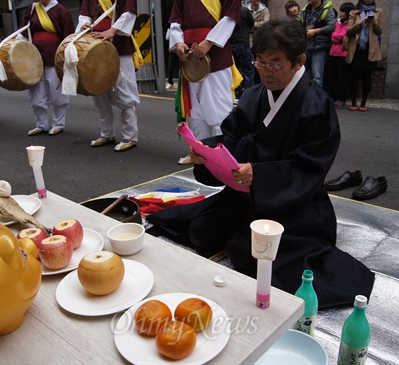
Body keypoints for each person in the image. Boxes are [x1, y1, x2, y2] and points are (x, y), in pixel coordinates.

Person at [148, 18, 375, 309]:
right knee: (199, 233)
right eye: (261, 62)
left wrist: (261, 175)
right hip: (245, 195)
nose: (267, 71)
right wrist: (208, 152)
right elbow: (231, 136)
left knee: (248, 255)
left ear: (299, 61)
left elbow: (310, 167)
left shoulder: (316, 105)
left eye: (276, 63)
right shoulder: (255, 95)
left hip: (293, 204)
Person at [168, 0, 241, 165]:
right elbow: (175, 22)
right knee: (196, 112)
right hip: (190, 59)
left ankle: (223, 154)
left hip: (216, 56)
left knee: (218, 109)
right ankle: (201, 152)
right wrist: (179, 42)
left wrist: (208, 42)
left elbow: (229, 18)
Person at [77, 0, 140, 152]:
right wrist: (85, 24)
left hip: (119, 45)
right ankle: (107, 133)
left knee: (125, 92)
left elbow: (129, 13)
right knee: (99, 91)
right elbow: (84, 15)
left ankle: (129, 137)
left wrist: (112, 31)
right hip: (95, 46)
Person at [18, 0, 74, 137]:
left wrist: (65, 57)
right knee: (36, 91)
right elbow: (24, 32)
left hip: (54, 55)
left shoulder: (61, 10)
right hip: (35, 55)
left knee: (57, 92)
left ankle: (58, 124)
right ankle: (41, 124)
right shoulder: (32, 9)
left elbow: (68, 36)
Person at [344, 0, 383, 112]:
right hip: (356, 49)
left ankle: (363, 103)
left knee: (367, 77)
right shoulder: (354, 12)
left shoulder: (378, 12)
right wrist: (360, 23)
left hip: (370, 50)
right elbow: (349, 31)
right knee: (354, 77)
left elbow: (380, 31)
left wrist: (374, 22)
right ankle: (353, 102)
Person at [300, 0, 336, 88]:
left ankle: (316, 100)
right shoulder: (305, 11)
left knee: (317, 76)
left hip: (319, 47)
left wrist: (315, 31)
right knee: (301, 75)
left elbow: (332, 26)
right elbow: (300, 26)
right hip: (305, 47)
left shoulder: (327, 9)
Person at [326, 2, 355, 106]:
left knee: (342, 77)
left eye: (344, 11)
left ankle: (341, 98)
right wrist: (339, 38)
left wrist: (339, 38)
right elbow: (333, 35)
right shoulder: (337, 22)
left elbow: (346, 37)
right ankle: (331, 96)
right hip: (333, 53)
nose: (341, 13)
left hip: (343, 54)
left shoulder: (351, 23)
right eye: (341, 11)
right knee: (331, 77)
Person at [230, 5, 255, 101]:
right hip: (243, 43)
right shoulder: (244, 10)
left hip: (231, 44)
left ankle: (236, 93)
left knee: (234, 71)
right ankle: (249, 95)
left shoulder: (227, 11)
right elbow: (251, 23)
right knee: (248, 71)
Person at [248, 0, 270, 85]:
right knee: (250, 64)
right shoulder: (246, 9)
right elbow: (244, 24)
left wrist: (252, 24)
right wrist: (257, 24)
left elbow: (266, 23)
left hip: (261, 39)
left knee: (260, 62)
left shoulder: (265, 10)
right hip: (248, 39)